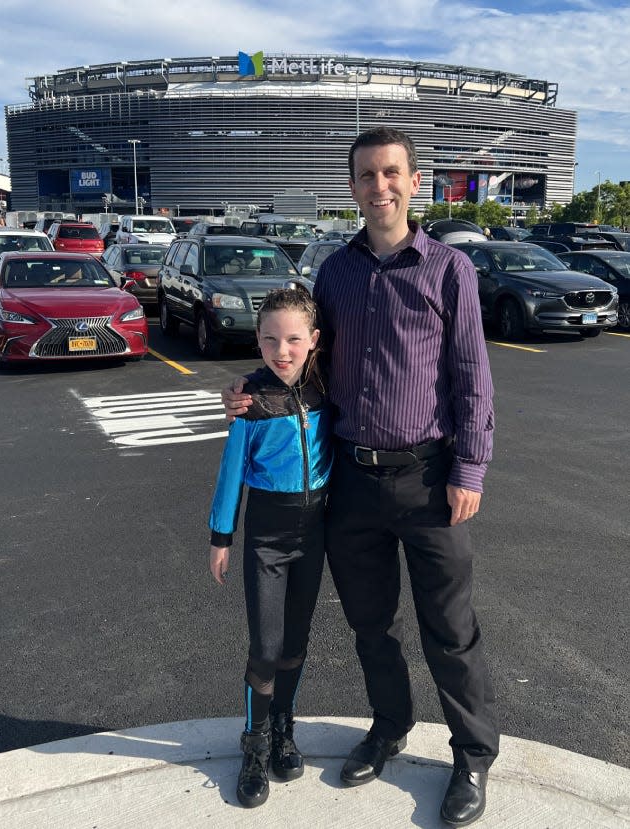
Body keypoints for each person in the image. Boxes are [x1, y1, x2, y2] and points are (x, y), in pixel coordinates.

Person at [223, 126, 499, 826]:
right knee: (371, 624)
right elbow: (304, 363)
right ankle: (390, 722)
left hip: (432, 479)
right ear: (352, 188)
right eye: (367, 176)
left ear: (414, 182)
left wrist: (470, 466)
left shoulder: (448, 270)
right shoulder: (336, 274)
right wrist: (249, 390)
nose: (380, 186)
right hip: (352, 481)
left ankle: (472, 753)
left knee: (450, 626)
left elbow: (472, 378)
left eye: (391, 173)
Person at [209, 287, 333, 809]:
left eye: (293, 340)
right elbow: (230, 473)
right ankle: (254, 744)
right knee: (265, 646)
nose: (282, 351)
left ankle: (284, 728)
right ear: (256, 341)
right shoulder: (251, 403)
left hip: (316, 534)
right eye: (269, 340)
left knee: (295, 646)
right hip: (266, 538)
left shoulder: (328, 387)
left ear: (314, 341)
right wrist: (221, 537)